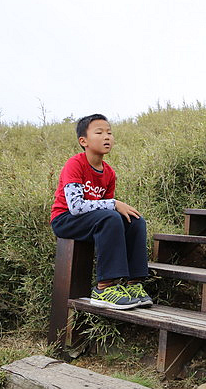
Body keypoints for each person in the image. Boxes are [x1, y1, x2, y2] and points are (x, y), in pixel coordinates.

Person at [50, 113, 152, 310]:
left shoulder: (109, 173)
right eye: (99, 132)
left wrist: (113, 206)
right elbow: (76, 207)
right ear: (84, 141)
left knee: (135, 220)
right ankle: (104, 288)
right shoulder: (75, 164)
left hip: (93, 220)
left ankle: (134, 284)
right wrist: (113, 204)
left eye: (109, 133)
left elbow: (104, 206)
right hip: (65, 220)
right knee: (111, 216)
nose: (107, 137)